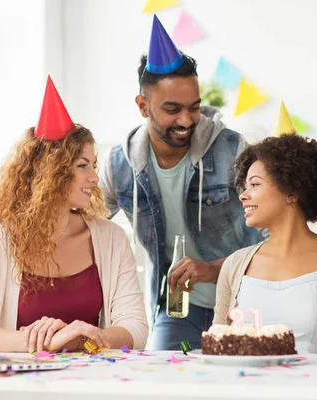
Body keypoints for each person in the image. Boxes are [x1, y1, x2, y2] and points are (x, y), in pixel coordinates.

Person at [99, 16, 263, 350]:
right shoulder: (120, 165)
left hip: (242, 304)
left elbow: (276, 234)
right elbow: (77, 223)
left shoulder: (233, 149)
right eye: (172, 109)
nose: (186, 120)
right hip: (175, 309)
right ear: (143, 105)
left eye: (194, 108)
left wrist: (214, 269)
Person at [0, 77, 148, 353]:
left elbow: (136, 329)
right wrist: (50, 341)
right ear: (51, 172)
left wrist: (80, 338)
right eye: (83, 166)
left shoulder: (111, 239)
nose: (95, 177)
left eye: (94, 165)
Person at [214, 134, 317, 354]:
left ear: (291, 192)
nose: (243, 196)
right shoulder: (235, 264)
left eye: (255, 184)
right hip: (245, 387)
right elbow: (217, 346)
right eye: (245, 186)